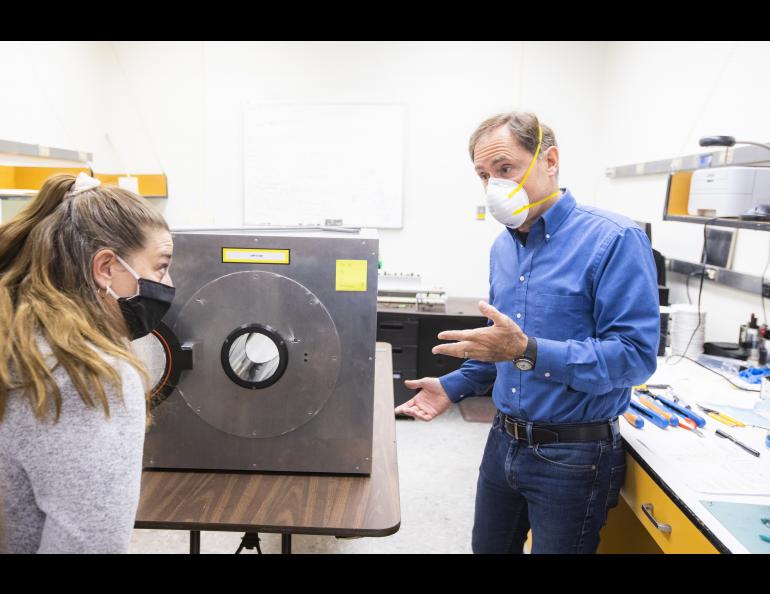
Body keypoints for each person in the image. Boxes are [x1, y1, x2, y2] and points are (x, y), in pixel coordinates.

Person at [395, 112, 660, 554]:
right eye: (483, 175)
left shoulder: (614, 240)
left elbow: (633, 357)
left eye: (505, 169)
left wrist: (529, 350)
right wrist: (453, 386)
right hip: (503, 442)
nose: (493, 185)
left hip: (574, 455)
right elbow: (501, 346)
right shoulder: (504, 246)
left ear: (549, 160)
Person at [0, 172, 175, 553]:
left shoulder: (17, 339)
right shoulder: (91, 375)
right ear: (106, 269)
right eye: (161, 266)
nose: (168, 281)